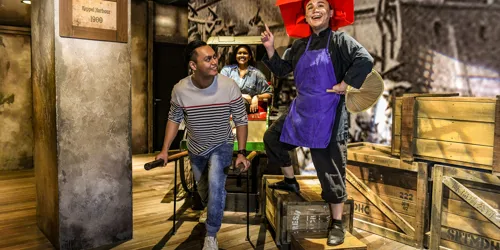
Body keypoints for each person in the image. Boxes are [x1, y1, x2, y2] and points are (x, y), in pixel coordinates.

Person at [260, 0, 373, 246]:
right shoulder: (299, 45)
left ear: (331, 13)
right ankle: (290, 182)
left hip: (329, 114)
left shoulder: (341, 41)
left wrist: (346, 84)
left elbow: (365, 60)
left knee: (330, 171)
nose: (315, 10)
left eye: (321, 5)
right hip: (301, 111)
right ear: (305, 16)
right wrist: (270, 48)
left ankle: (337, 223)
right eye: (310, 7)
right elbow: (281, 69)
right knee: (272, 139)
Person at [155, 40, 250, 250]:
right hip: (196, 147)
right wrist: (163, 151)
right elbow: (173, 120)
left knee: (216, 187)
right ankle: (211, 209)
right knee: (204, 189)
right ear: (193, 65)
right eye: (208, 59)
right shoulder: (180, 89)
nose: (215, 61)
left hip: (222, 143)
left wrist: (241, 152)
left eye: (215, 56)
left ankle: (211, 234)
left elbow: (242, 120)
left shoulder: (228, 86)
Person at [220, 44, 272, 113]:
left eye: (245, 53)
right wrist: (243, 96)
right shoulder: (227, 70)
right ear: (235, 56)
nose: (242, 55)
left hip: (246, 107)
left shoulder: (256, 74)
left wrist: (256, 97)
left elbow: (268, 94)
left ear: (249, 57)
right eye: (239, 53)